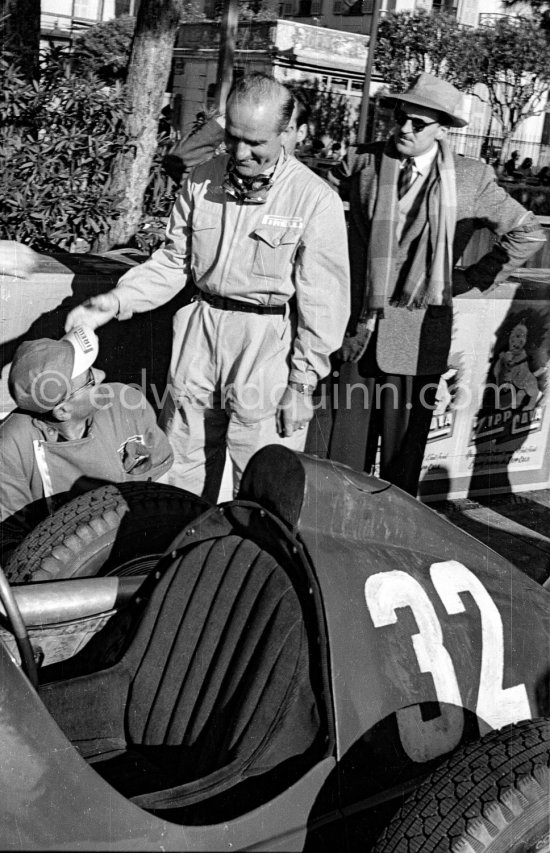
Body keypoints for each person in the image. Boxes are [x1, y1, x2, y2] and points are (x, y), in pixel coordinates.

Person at [65, 73, 350, 502]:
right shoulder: (201, 179)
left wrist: (302, 385)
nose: (241, 152)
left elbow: (324, 303)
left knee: (261, 478)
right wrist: (113, 301)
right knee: (177, 463)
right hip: (199, 332)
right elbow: (173, 262)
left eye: (256, 143)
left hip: (267, 343)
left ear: (286, 134)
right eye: (233, 137)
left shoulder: (314, 200)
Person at [328, 72, 546, 496]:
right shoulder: (363, 162)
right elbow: (317, 207)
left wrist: (472, 277)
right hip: (357, 330)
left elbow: (528, 232)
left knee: (402, 467)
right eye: (400, 117)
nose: (404, 128)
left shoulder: (470, 178)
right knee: (344, 461)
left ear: (444, 128)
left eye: (418, 123)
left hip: (421, 332)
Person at [0, 326, 173, 532]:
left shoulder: (127, 404)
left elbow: (164, 485)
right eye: (90, 379)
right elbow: (11, 540)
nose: (101, 375)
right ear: (63, 411)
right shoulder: (11, 447)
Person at [163, 87, 311, 186]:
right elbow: (177, 162)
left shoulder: (311, 192)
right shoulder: (229, 178)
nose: (273, 139)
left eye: (284, 131)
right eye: (264, 129)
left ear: (301, 133)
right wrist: (234, 117)